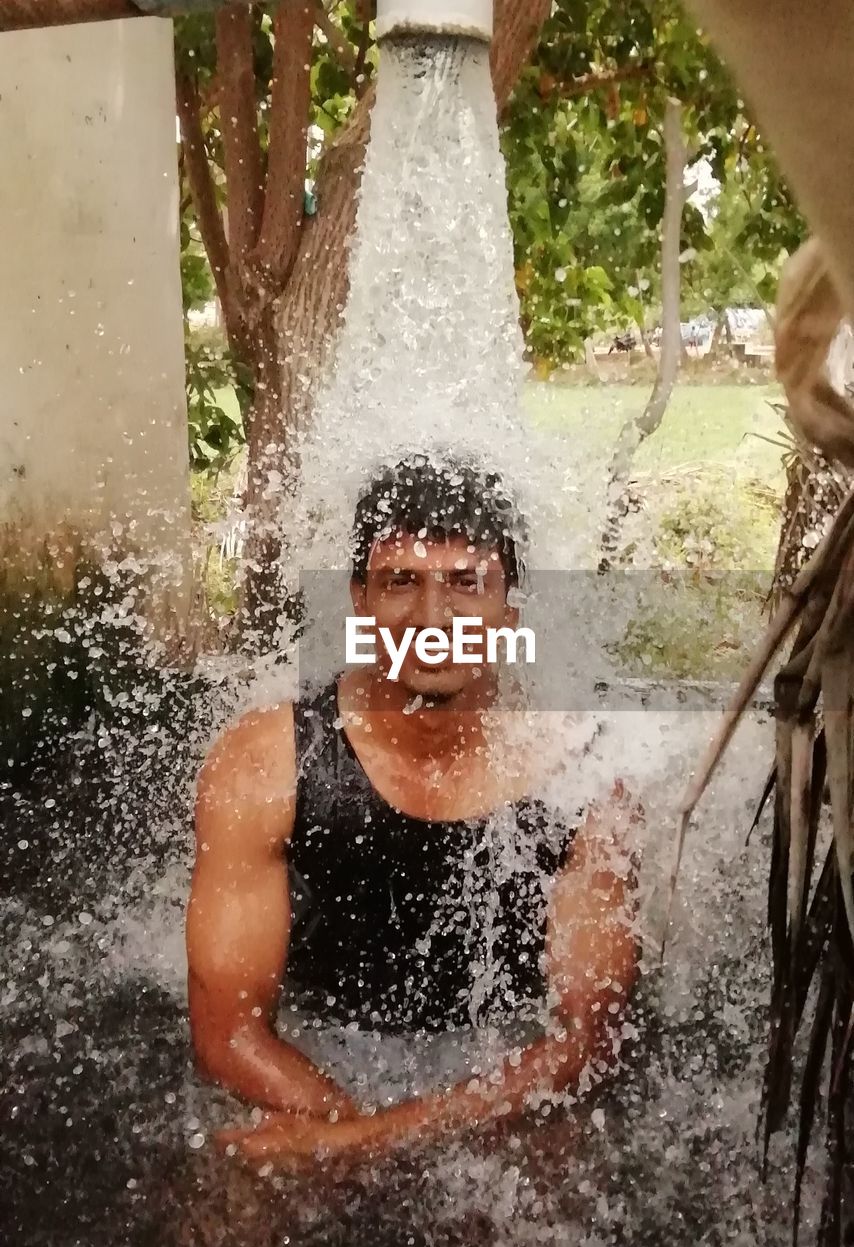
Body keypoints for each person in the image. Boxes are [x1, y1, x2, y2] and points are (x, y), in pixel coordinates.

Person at [186, 456, 641, 1165]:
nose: (435, 619)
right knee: (233, 1202)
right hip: (319, 1058)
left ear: (510, 607)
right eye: (402, 582)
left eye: (468, 584)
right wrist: (344, 1131)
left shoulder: (583, 774)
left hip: (501, 1076)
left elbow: (585, 1042)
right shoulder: (264, 763)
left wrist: (360, 1145)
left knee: (557, 1171)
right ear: (359, 600)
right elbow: (229, 1036)